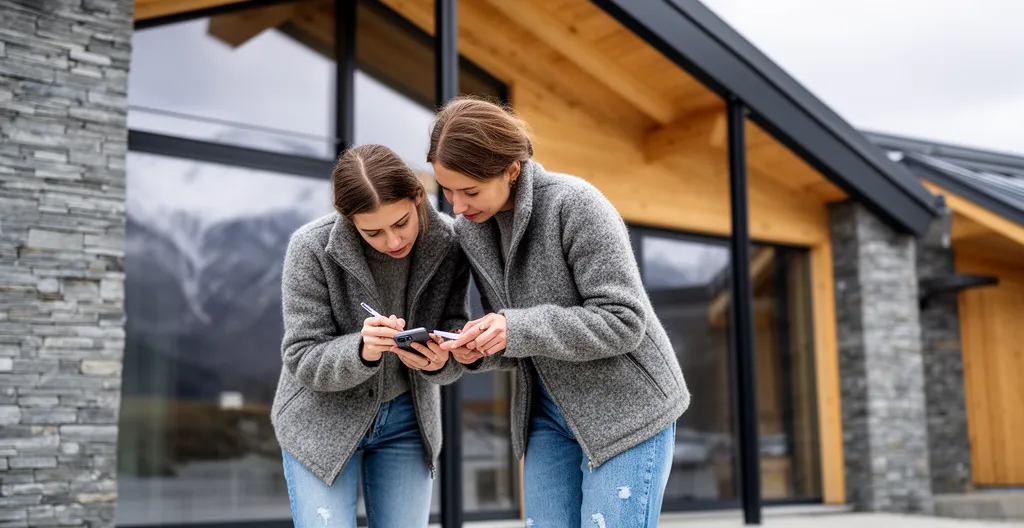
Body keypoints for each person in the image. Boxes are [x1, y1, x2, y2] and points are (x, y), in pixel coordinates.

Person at [431, 97, 691, 526]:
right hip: (545, 416)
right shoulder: (471, 229)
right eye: (448, 190)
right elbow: (513, 337)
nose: (457, 206)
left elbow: (623, 320)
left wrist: (514, 327)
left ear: (511, 169)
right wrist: (472, 347)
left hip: (626, 411)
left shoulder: (576, 204)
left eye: (470, 191)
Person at [270, 144, 472, 528]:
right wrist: (361, 350)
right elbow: (301, 356)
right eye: (373, 232)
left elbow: (454, 330)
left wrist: (442, 361)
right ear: (347, 220)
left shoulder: (448, 243)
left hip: (408, 420)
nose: (393, 241)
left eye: (400, 223)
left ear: (417, 196)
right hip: (320, 421)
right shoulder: (311, 248)